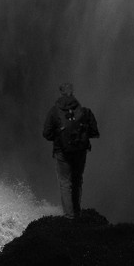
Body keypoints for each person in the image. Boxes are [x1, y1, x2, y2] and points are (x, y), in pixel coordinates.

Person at [42, 82, 99, 217]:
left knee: (65, 182)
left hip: (61, 152)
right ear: (73, 94)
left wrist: (58, 137)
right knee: (77, 179)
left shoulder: (54, 111)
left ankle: (69, 215)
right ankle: (77, 211)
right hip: (80, 150)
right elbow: (94, 132)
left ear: (61, 93)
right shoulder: (84, 111)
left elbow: (46, 133)